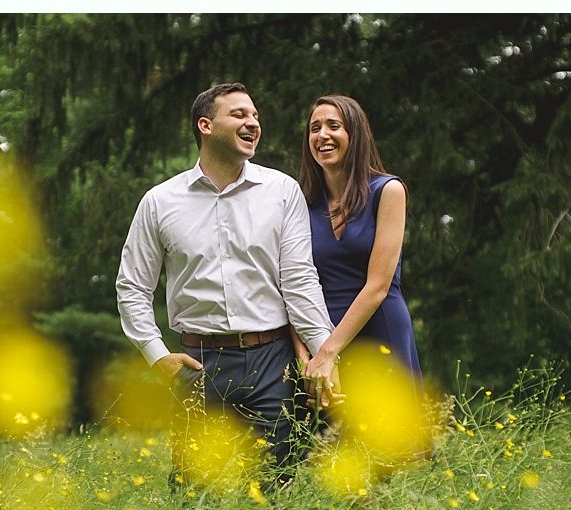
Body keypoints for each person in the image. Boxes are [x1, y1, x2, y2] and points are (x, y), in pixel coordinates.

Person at [116, 82, 339, 472]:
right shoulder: (159, 202)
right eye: (239, 114)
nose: (252, 122)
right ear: (205, 125)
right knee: (197, 496)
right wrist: (157, 357)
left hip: (274, 362)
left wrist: (325, 354)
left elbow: (300, 281)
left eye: (255, 116)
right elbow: (132, 286)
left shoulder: (282, 191)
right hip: (198, 364)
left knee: (277, 487)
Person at [295, 94, 422, 389]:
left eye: (333, 125)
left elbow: (378, 285)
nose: (322, 135)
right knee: (327, 434)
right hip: (321, 335)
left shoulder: (388, 191)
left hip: (379, 329)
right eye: (314, 128)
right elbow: (291, 284)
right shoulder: (301, 204)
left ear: (354, 134)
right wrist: (307, 353)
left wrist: (328, 352)